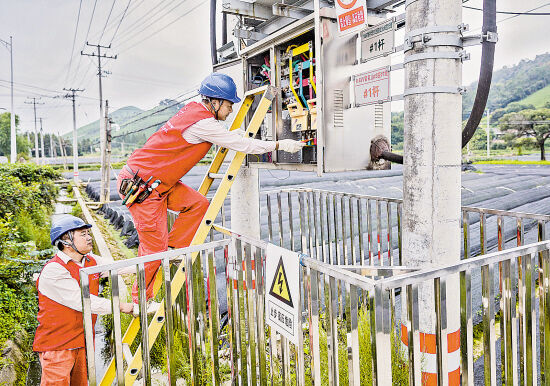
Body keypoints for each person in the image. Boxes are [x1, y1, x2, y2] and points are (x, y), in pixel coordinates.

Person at [117, 72, 304, 310]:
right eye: (228, 105)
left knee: (197, 205)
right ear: (214, 102)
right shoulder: (203, 123)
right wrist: (278, 144)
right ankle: (140, 301)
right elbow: (243, 145)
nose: (229, 111)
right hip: (143, 188)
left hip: (158, 182)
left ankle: (174, 249)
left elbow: (218, 133)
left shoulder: (195, 112)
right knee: (153, 251)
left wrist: (229, 134)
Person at [33, 215, 134, 386]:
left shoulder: (90, 261)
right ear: (66, 240)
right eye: (83, 234)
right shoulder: (54, 270)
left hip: (82, 342)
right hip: (58, 346)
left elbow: (119, 266)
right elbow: (85, 302)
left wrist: (158, 262)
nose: (89, 238)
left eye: (88, 233)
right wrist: (123, 306)